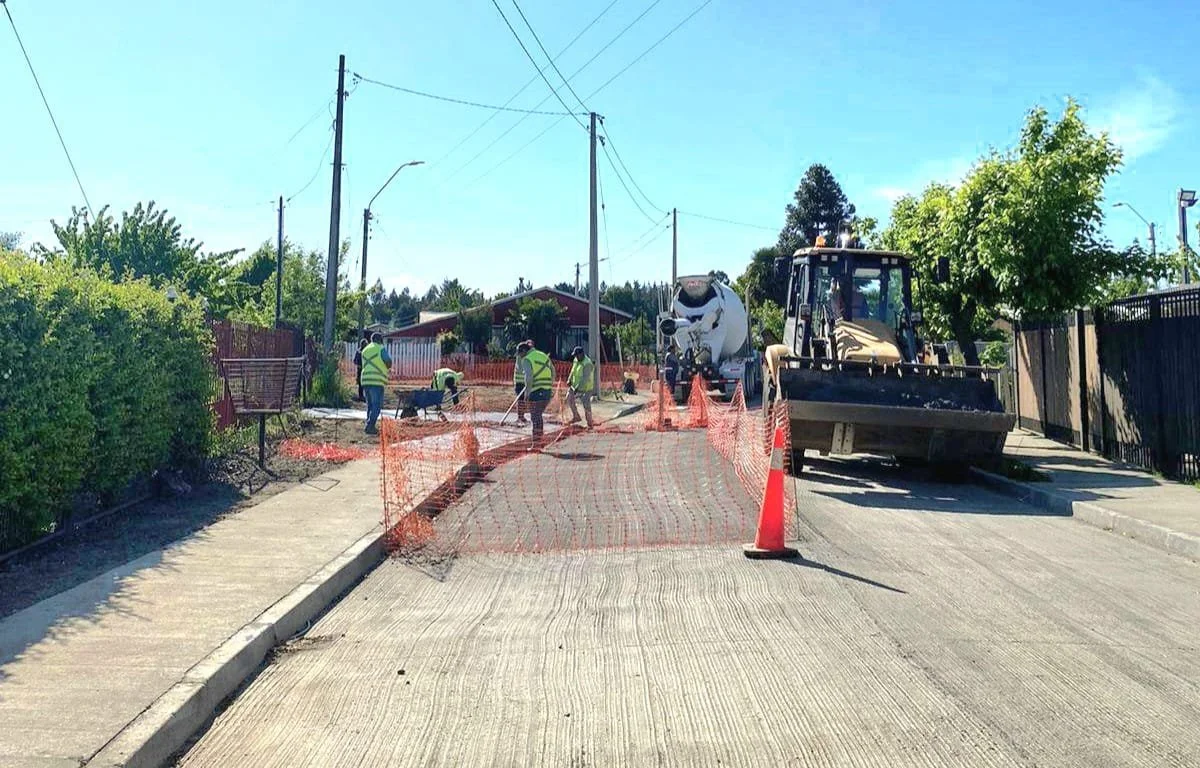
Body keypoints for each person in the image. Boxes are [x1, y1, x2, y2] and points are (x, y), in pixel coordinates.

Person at [515, 341, 554, 440]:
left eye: (520, 353)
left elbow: (528, 377)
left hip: (536, 391)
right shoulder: (543, 355)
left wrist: (527, 393)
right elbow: (553, 371)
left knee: (535, 417)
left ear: (524, 351)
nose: (519, 356)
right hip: (547, 391)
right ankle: (539, 440)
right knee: (538, 415)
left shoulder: (527, 359)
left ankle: (536, 441)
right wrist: (549, 384)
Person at [360, 333, 392, 435]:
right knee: (377, 405)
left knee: (370, 405)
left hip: (365, 379)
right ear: (380, 340)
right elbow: (388, 361)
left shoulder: (365, 350)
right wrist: (387, 367)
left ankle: (369, 424)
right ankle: (370, 425)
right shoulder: (380, 348)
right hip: (376, 380)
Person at [566, 345, 595, 428]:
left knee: (586, 405)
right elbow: (572, 371)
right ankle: (576, 416)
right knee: (569, 398)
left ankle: (590, 423)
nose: (576, 357)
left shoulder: (587, 363)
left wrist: (577, 388)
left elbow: (585, 379)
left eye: (577, 355)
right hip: (574, 386)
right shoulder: (576, 360)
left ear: (582, 354)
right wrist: (569, 379)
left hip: (586, 388)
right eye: (575, 355)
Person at [513, 346, 528, 425]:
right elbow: (521, 368)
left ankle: (522, 416)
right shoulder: (520, 357)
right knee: (520, 400)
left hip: (525, 382)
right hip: (519, 382)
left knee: (523, 400)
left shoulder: (526, 357)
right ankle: (520, 416)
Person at [353, 337, 369, 401]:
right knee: (363, 383)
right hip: (363, 369)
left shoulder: (359, 351)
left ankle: (362, 396)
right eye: (365, 344)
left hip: (361, 369)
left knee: (362, 383)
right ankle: (362, 396)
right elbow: (355, 360)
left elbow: (354, 361)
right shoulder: (364, 351)